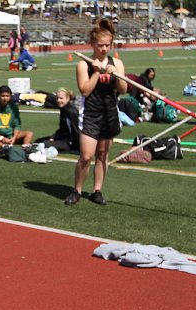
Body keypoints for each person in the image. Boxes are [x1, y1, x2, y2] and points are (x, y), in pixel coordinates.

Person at [64, 18, 126, 206]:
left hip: (110, 113)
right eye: (100, 45)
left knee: (103, 155)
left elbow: (123, 89)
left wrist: (116, 74)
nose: (104, 49)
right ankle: (77, 190)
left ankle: (97, 191)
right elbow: (84, 90)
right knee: (86, 156)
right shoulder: (84, 64)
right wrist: (97, 72)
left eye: (108, 45)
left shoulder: (117, 62)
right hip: (90, 113)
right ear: (92, 44)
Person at [0, 85, 33, 149]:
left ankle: (25, 147)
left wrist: (14, 138)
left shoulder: (14, 107)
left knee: (29, 134)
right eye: (3, 96)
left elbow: (17, 125)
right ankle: (3, 146)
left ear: (10, 96)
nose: (5, 98)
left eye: (7, 96)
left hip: (10, 135)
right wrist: (1, 138)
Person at [34, 87, 80, 154]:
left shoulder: (71, 112)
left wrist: (78, 147)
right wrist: (54, 137)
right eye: (57, 98)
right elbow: (62, 129)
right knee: (38, 141)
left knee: (44, 144)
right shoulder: (64, 109)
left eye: (61, 98)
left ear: (68, 99)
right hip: (64, 138)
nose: (58, 100)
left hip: (70, 142)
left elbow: (76, 130)